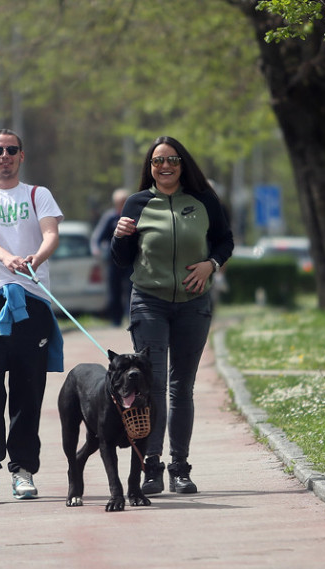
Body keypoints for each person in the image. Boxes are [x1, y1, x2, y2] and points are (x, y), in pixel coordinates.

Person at [111, 136, 234, 495]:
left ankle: (180, 468)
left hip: (194, 304)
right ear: (149, 167)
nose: (165, 166)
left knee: (182, 387)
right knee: (153, 386)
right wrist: (119, 236)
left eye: (172, 160)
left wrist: (211, 265)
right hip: (149, 302)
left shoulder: (204, 201)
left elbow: (225, 241)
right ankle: (151, 466)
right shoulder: (137, 203)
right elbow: (121, 259)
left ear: (183, 164)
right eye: (157, 161)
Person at [0, 128, 65, 500]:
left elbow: (50, 234)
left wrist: (37, 257)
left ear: (21, 155)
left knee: (28, 389)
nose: (4, 156)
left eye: (11, 150)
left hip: (32, 299)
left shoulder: (38, 195)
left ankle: (23, 471)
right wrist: (7, 258)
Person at [90, 188, 133, 327]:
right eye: (119, 202)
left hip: (132, 260)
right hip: (114, 260)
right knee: (114, 290)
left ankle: (131, 318)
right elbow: (97, 237)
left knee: (132, 289)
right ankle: (116, 320)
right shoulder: (110, 217)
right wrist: (97, 249)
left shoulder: (134, 216)